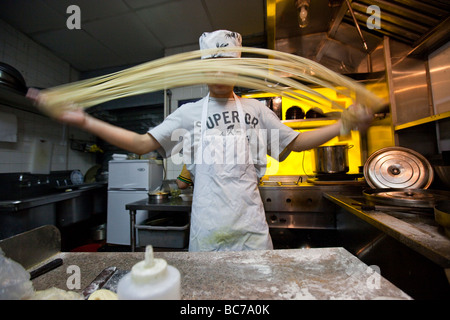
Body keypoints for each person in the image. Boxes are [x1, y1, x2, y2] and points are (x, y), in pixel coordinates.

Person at [27, 30, 372, 252]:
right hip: (207, 232)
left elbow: (296, 143)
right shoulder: (190, 114)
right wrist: (86, 120)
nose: (221, 74)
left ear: (239, 68)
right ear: (203, 69)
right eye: (214, 66)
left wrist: (343, 124)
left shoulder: (256, 110)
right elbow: (140, 144)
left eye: (229, 66)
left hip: (252, 233)